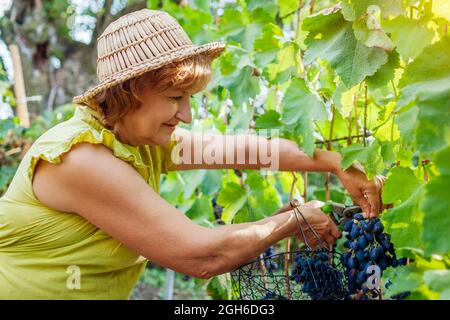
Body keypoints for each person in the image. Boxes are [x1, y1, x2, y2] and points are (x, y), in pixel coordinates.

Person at [0, 9, 383, 299]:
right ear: (130, 92)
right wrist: (292, 221)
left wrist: (335, 163)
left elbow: (249, 149)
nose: (186, 115)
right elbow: (200, 256)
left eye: (189, 99)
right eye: (174, 98)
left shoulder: (136, 139)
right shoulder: (79, 158)